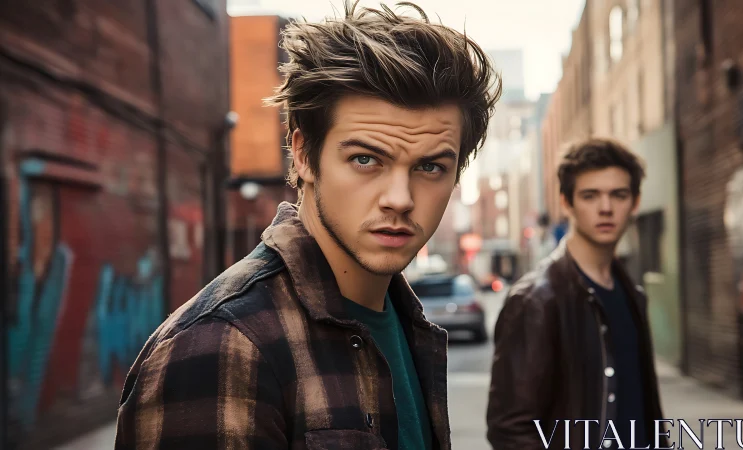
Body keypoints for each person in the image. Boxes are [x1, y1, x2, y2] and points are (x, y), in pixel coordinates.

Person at [113, 2, 501, 449]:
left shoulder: (404, 321)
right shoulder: (220, 347)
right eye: (365, 159)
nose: (400, 198)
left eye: (430, 167)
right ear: (303, 154)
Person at [486, 138, 668, 450]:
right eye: (590, 195)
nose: (606, 208)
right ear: (567, 203)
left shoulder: (631, 294)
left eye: (619, 195)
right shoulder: (536, 299)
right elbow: (510, 430)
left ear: (635, 203)